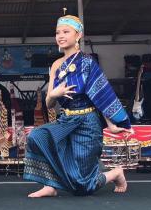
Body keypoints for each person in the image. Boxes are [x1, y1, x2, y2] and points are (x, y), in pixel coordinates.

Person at [23, 15, 132, 198]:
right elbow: (49, 104)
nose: (61, 36)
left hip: (88, 122)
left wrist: (111, 124)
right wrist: (53, 94)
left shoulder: (88, 63)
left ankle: (115, 173)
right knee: (37, 136)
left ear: (78, 35)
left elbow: (101, 96)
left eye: (66, 32)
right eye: (58, 32)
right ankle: (50, 185)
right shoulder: (56, 65)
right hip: (66, 119)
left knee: (83, 187)